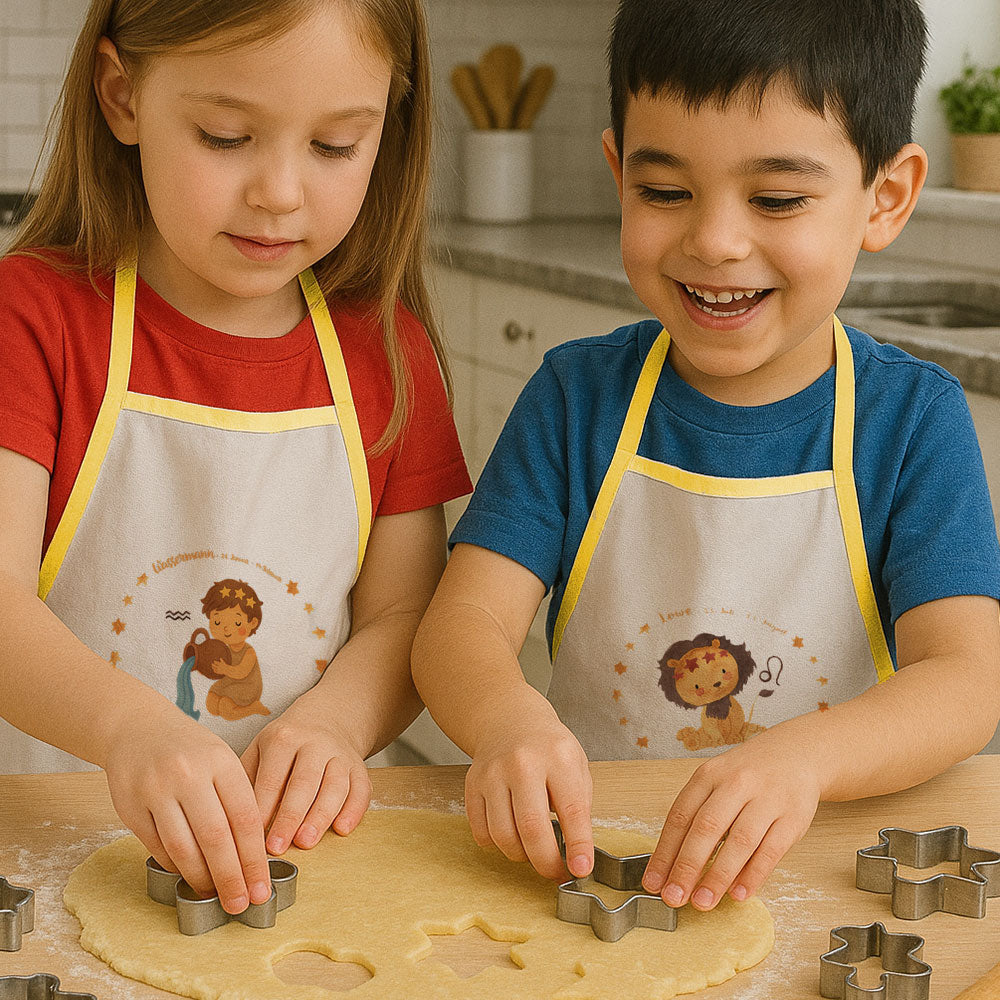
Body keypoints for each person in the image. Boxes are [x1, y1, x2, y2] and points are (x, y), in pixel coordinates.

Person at [411, 0, 1000, 916]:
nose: (715, 241)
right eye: (665, 191)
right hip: (599, 868)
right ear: (618, 175)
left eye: (776, 199)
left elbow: (966, 680)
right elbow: (460, 628)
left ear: (885, 197)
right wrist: (506, 722)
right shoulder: (579, 398)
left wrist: (803, 757)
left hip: (816, 874)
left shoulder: (911, 420)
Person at [0, 0, 471, 917]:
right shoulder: (34, 320)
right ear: (122, 96)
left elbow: (408, 614)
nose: (281, 191)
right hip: (48, 846)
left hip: (292, 865)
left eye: (336, 145)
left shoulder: (385, 352)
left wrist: (338, 722)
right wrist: (129, 728)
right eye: (225, 136)